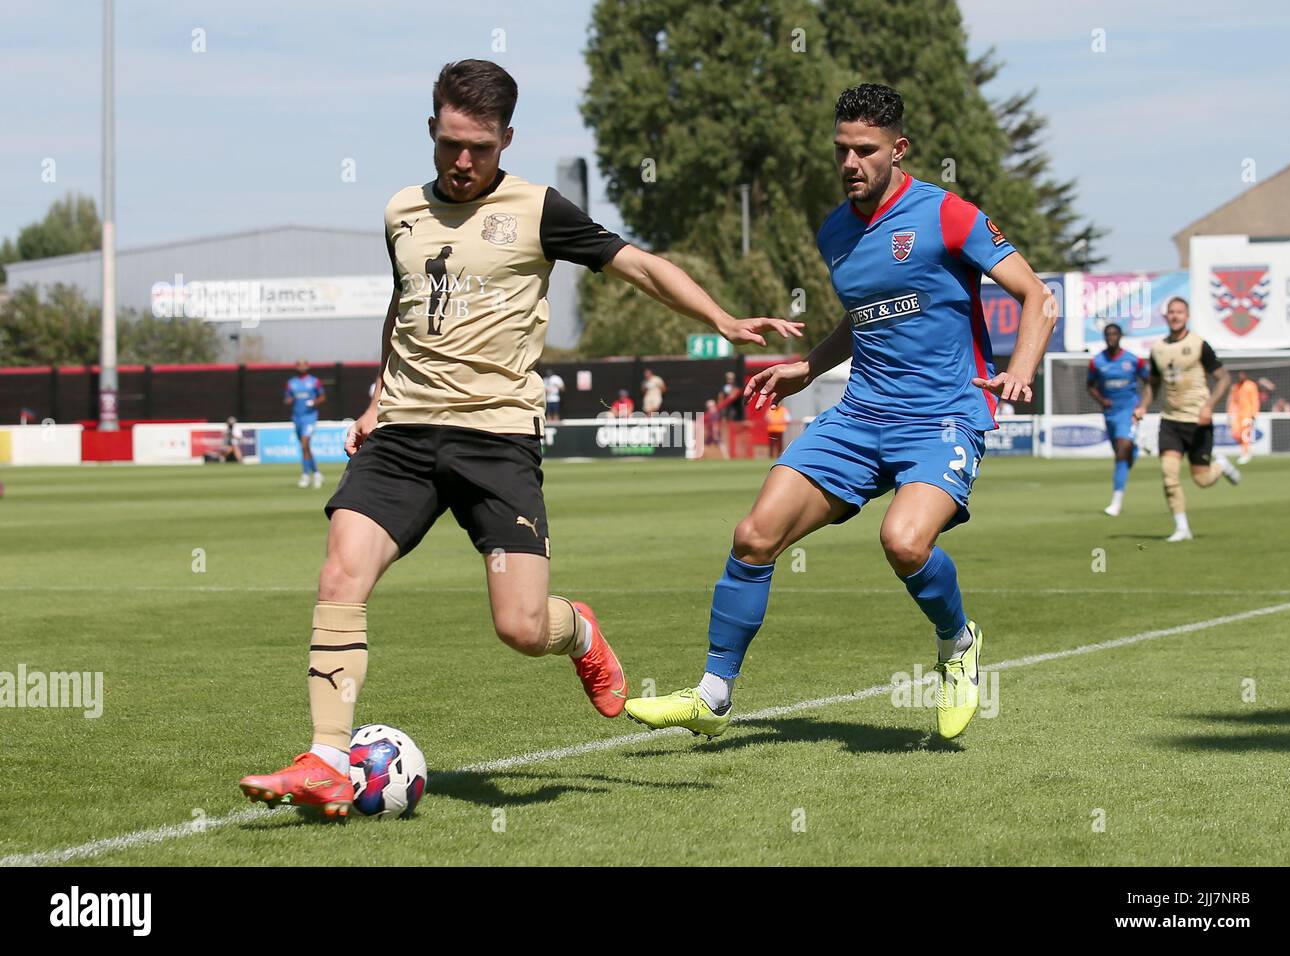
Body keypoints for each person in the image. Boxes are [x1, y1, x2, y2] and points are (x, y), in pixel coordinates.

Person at [238, 59, 802, 816]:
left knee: (521, 626)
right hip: (404, 434)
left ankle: (582, 633)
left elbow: (637, 264)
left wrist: (722, 320)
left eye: (480, 147)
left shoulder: (538, 209)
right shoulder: (401, 210)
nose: (463, 162)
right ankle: (328, 757)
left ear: (507, 138)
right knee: (341, 573)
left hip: (494, 442)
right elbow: (403, 310)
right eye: (449, 144)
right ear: (431, 131)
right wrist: (377, 398)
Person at [626, 82, 1056, 743]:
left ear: (898, 150)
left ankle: (957, 642)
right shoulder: (835, 232)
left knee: (905, 543)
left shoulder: (949, 215)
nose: (851, 162)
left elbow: (1038, 296)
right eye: (841, 150)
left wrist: (1022, 370)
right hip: (859, 419)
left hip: (943, 416)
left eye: (865, 150)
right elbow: (866, 319)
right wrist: (809, 366)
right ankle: (712, 698)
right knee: (753, 535)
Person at [1133, 296, 1240, 543]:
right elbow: (1153, 384)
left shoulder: (1200, 345)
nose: (1175, 316)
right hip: (1170, 421)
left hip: (1197, 420)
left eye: (1179, 312)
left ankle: (1221, 466)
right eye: (1171, 312)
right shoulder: (1158, 348)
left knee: (1202, 480)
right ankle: (1182, 528)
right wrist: (1143, 405)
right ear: (1166, 316)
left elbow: (1223, 379)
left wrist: (1209, 407)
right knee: (1168, 474)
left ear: (1187, 315)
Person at [1086, 322, 1148, 516]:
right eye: (1108, 334)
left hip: (1128, 411)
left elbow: (1150, 382)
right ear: (1104, 337)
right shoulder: (1097, 361)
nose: (1111, 337)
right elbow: (1090, 385)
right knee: (1122, 452)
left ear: (1120, 336)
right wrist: (1102, 400)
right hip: (1111, 414)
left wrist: (1142, 405)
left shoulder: (1133, 360)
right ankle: (1135, 448)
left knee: (1121, 452)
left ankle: (1116, 502)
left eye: (1114, 334)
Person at [284, 360, 325, 488]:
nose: (302, 367)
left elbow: (322, 397)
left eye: (304, 365)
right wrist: (289, 400)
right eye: (299, 365)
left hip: (310, 417)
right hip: (297, 417)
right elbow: (287, 398)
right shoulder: (291, 383)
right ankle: (317, 473)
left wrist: (314, 403)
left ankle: (305, 475)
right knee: (305, 447)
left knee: (304, 443)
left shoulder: (314, 381)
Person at [1228, 370, 1260, 464]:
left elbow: (1255, 400)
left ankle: (1245, 453)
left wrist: (1254, 414)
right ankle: (1246, 451)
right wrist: (1230, 413)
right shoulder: (1235, 387)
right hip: (1238, 414)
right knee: (1236, 433)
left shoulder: (1251, 385)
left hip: (1248, 413)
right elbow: (1233, 401)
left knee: (1245, 434)